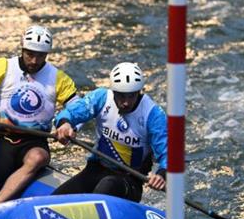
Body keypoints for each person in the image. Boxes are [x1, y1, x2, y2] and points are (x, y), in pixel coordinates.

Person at [0, 25, 79, 206]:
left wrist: (68, 125)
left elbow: (77, 107)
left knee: (39, 157)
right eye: (30, 54)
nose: (34, 61)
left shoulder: (59, 78)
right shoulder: (3, 66)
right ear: (22, 49)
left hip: (35, 141)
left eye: (40, 56)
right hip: (3, 142)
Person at [52, 62, 167, 201]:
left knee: (107, 185)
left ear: (139, 91)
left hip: (129, 181)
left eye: (131, 96)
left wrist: (161, 174)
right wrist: (65, 123)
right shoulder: (101, 97)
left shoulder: (153, 115)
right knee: (55, 199)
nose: (126, 102)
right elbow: (73, 111)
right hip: (96, 170)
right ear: (113, 91)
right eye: (122, 96)